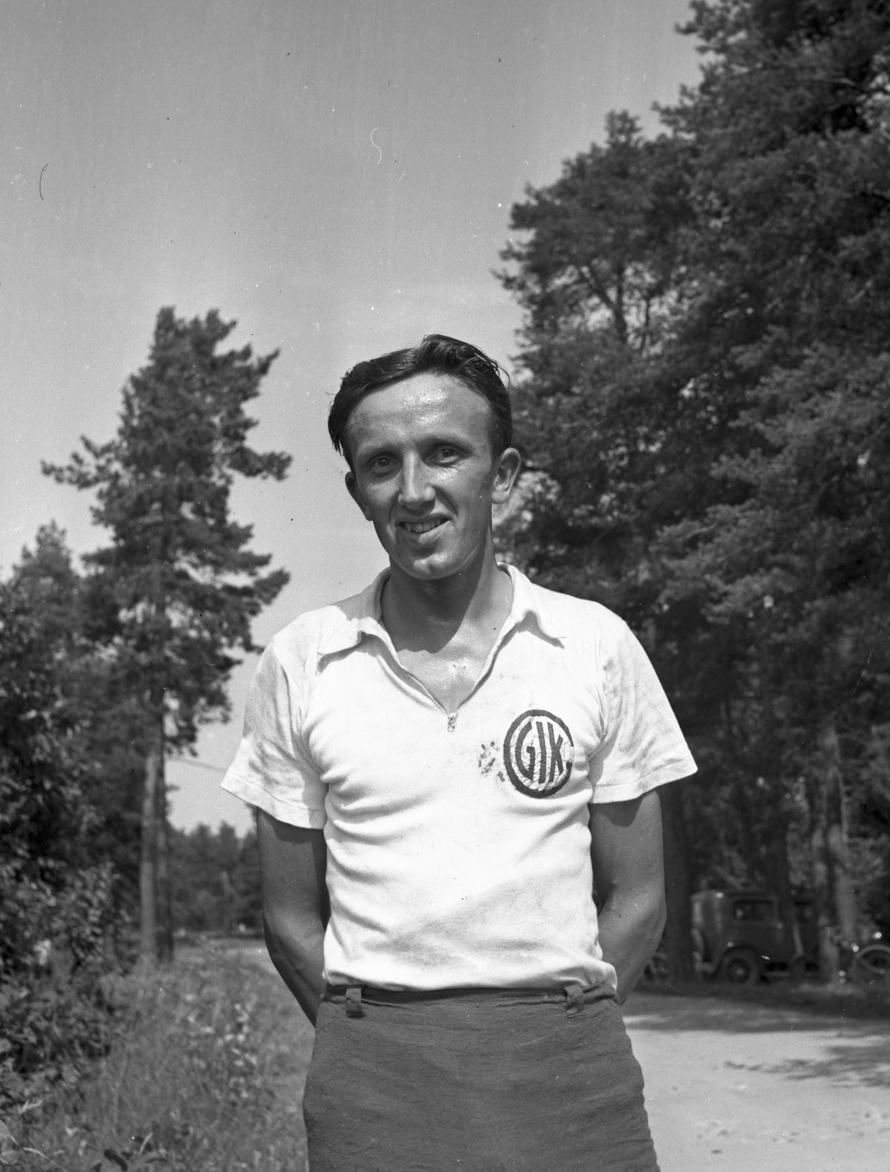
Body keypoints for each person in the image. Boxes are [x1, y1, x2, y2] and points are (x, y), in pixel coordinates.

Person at [222, 334, 696, 1171]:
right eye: (382, 464)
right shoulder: (303, 659)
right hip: (376, 1086)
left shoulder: (594, 645)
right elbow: (290, 918)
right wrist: (371, 1042)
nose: (414, 491)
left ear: (502, 474)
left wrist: (559, 1030)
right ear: (357, 490)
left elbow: (639, 896)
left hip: (572, 1081)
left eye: (444, 453)